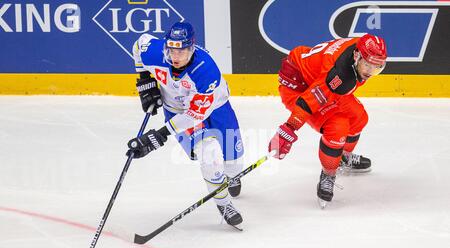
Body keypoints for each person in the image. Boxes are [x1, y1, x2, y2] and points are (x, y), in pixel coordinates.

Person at [126, 21, 244, 226]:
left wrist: (161, 133)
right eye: (171, 49)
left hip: (215, 106)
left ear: (192, 49)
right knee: (209, 154)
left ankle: (232, 175)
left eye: (181, 51)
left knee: (234, 161)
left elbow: (195, 115)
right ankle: (223, 203)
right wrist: (145, 82)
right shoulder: (154, 53)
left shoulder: (206, 71)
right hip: (178, 110)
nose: (175, 57)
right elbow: (139, 44)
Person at [268, 34, 387, 208]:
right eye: (368, 65)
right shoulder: (341, 75)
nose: (370, 72)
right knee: (338, 127)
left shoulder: (359, 48)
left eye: (377, 68)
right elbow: (310, 100)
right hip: (298, 87)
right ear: (357, 56)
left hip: (319, 79)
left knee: (359, 118)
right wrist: (289, 128)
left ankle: (343, 158)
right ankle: (328, 174)